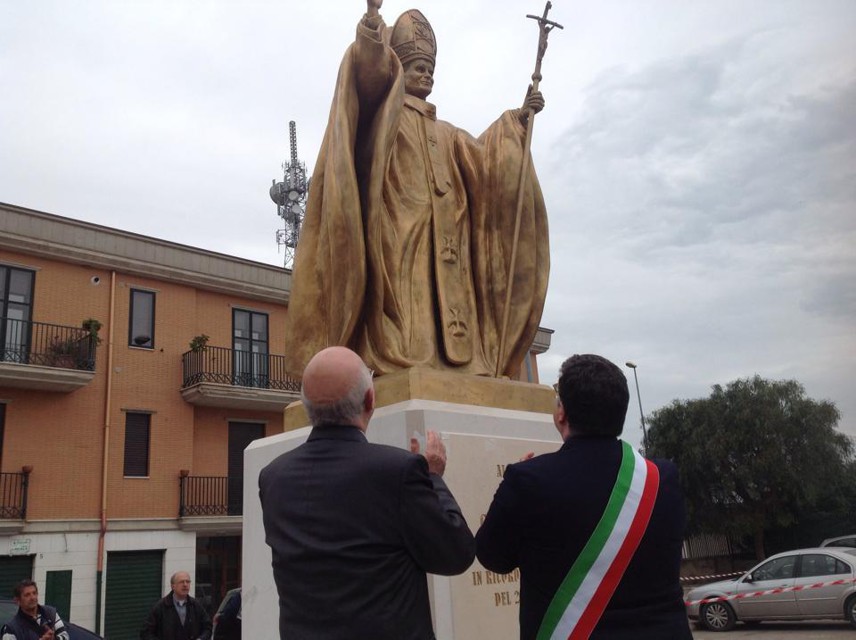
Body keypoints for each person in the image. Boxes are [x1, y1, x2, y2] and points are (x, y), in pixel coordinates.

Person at [283, 0, 550, 379]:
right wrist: (373, 23)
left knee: (449, 304)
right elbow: (369, 74)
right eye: (417, 68)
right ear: (400, 70)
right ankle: (404, 359)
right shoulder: (382, 117)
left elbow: (486, 161)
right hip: (398, 233)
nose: (426, 76)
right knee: (406, 313)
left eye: (430, 70)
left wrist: (517, 121)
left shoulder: (447, 133)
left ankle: (461, 364)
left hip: (448, 236)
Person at [259, 346, 475, 639]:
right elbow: (456, 554)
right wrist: (433, 476)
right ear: (370, 400)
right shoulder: (398, 471)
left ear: (306, 404)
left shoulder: (273, 477)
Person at [476, 354, 693, 640]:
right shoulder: (662, 478)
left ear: (561, 413)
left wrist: (516, 494)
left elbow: (493, 557)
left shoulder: (528, 481)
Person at [140, 571, 212, 640]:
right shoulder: (160, 607)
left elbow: (208, 627)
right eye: (181, 582)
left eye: (187, 581)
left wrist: (200, 639)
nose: (185, 585)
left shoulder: (196, 605)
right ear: (173, 586)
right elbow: (146, 633)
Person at [1, 579, 69, 640]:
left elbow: (65, 636)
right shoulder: (11, 629)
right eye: (27, 595)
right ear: (17, 601)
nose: (32, 597)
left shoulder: (51, 613)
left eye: (34, 593)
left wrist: (54, 639)